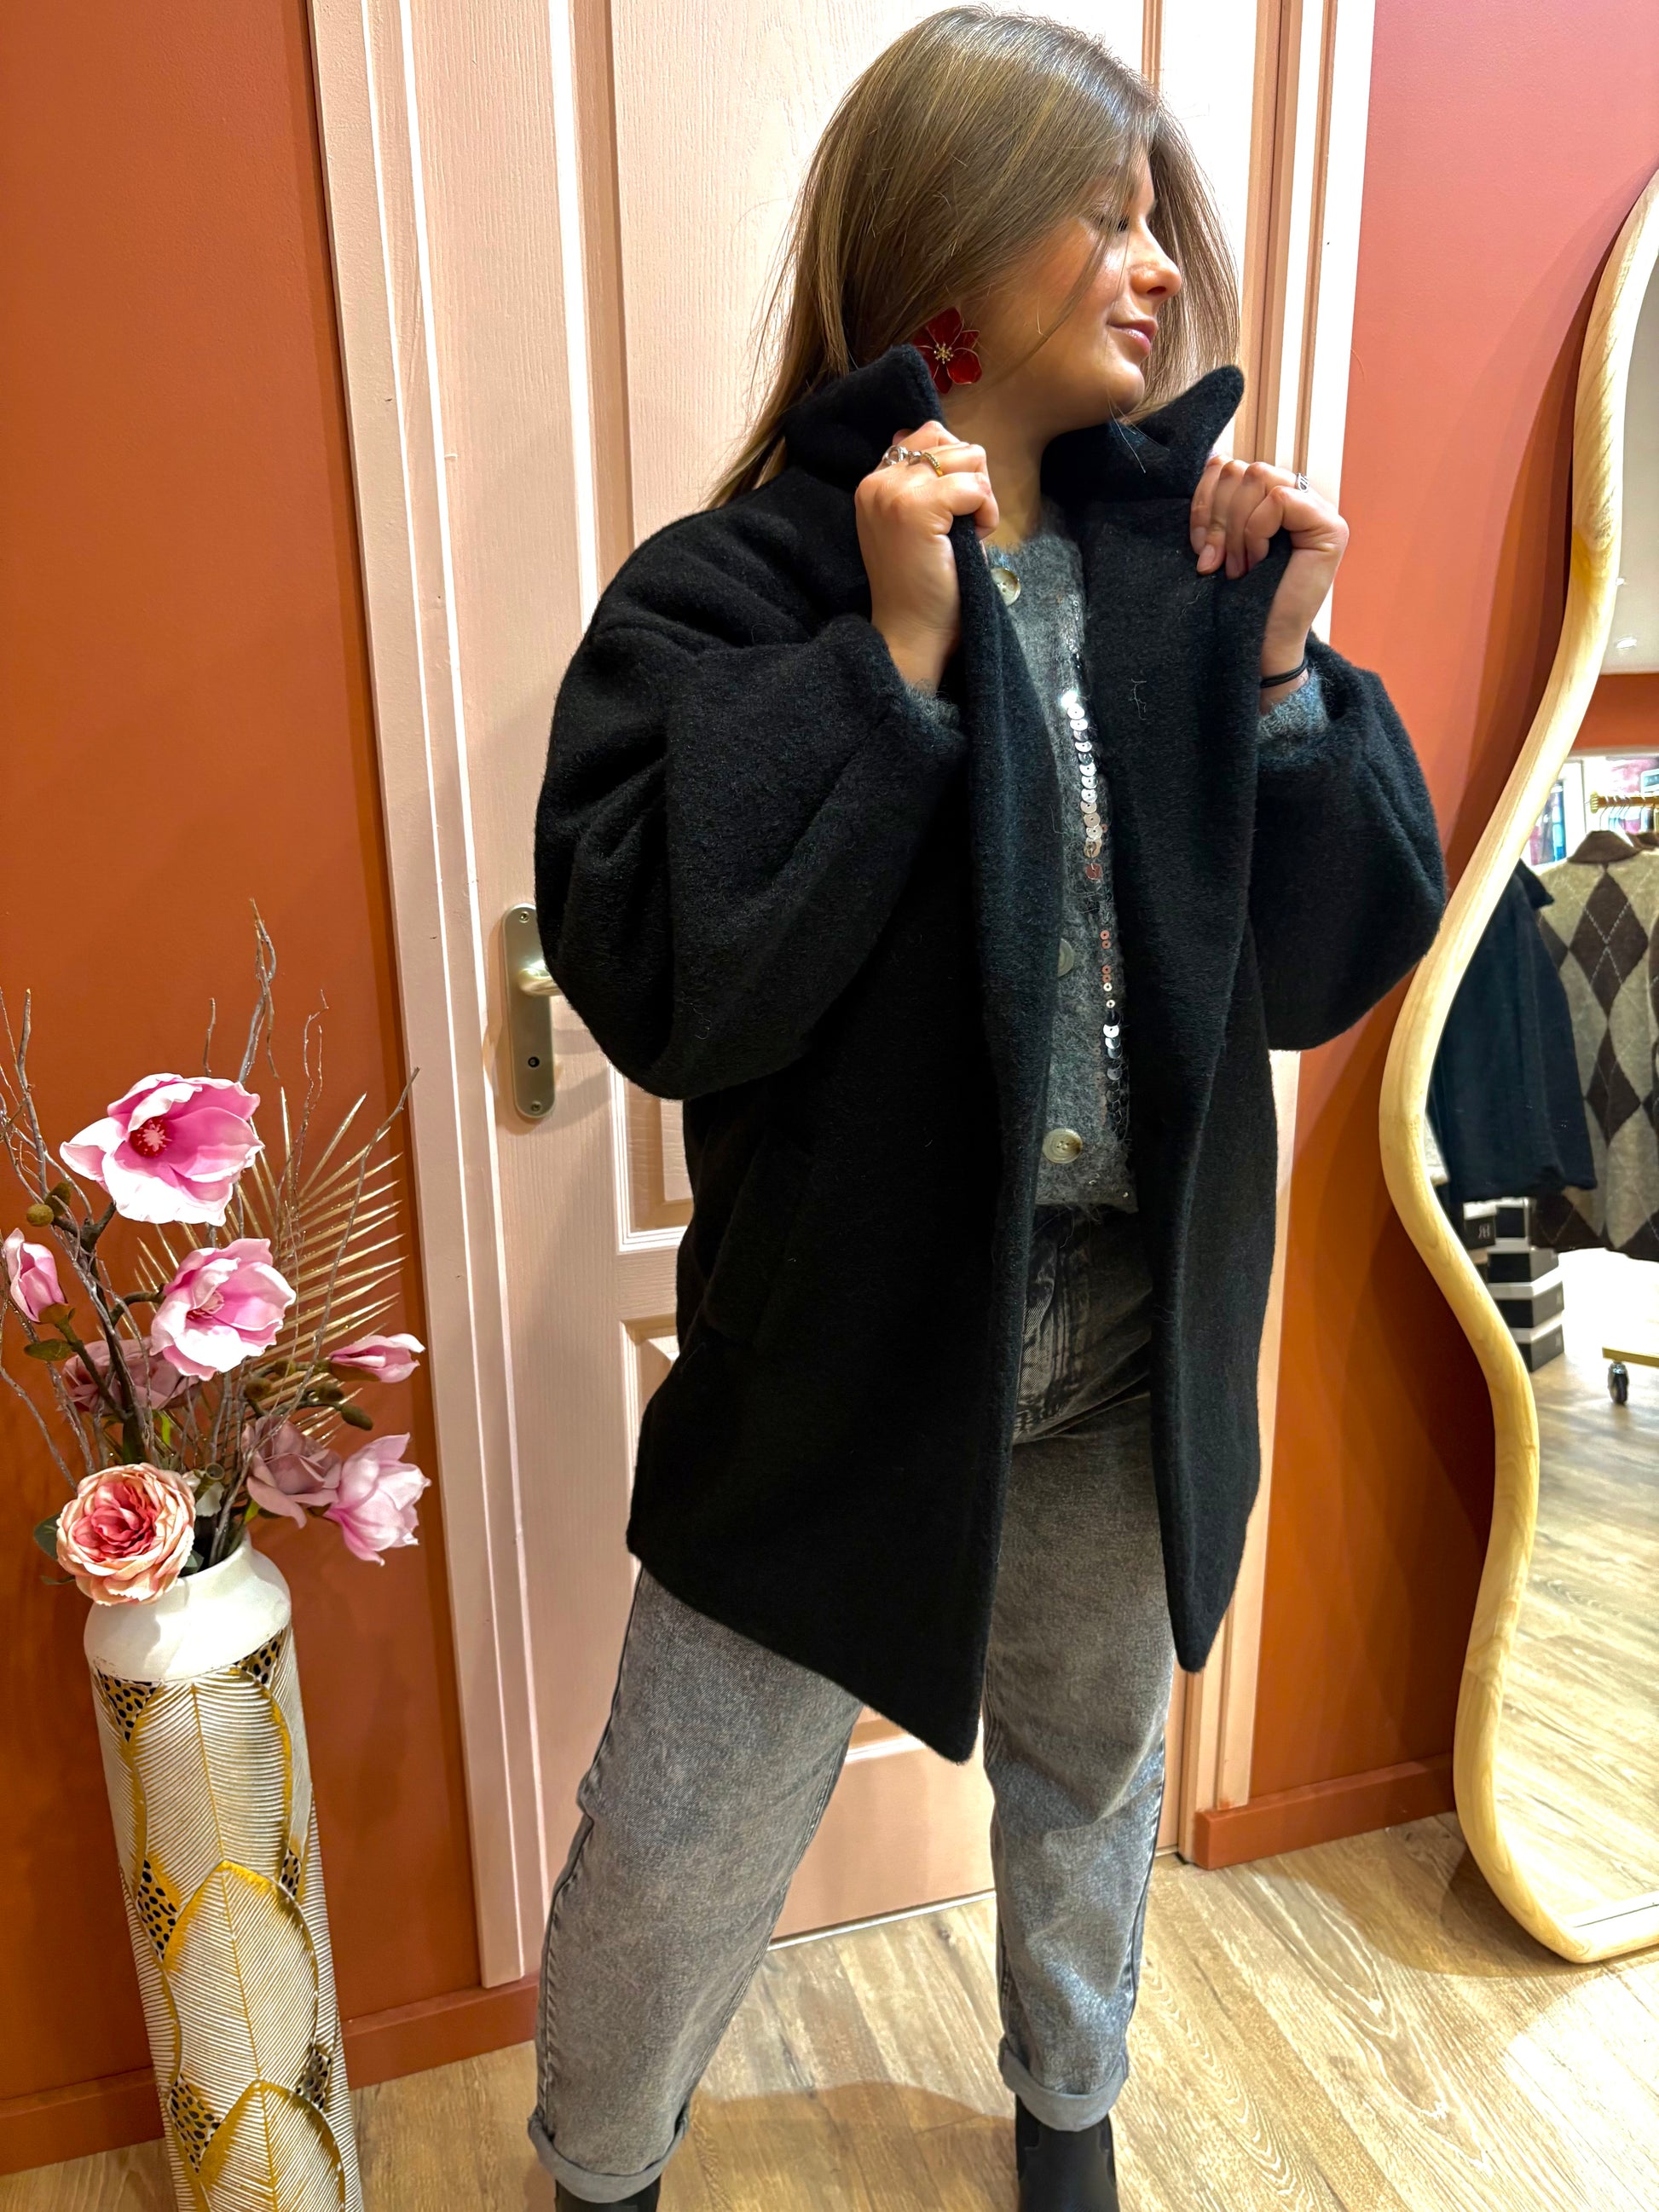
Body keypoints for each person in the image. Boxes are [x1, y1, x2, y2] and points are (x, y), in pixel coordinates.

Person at [528, 9, 1445, 2207]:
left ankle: (1068, 2118)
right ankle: (597, 2166)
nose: (1158, 266)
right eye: (1102, 218)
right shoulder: (731, 593)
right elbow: (672, 981)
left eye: (1157, 222)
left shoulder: (1192, 580)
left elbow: (1332, 956)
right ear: (948, 246)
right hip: (835, 1366)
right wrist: (896, 662)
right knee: (680, 1840)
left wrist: (1287, 674)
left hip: (1128, 1350)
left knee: (1092, 1777)